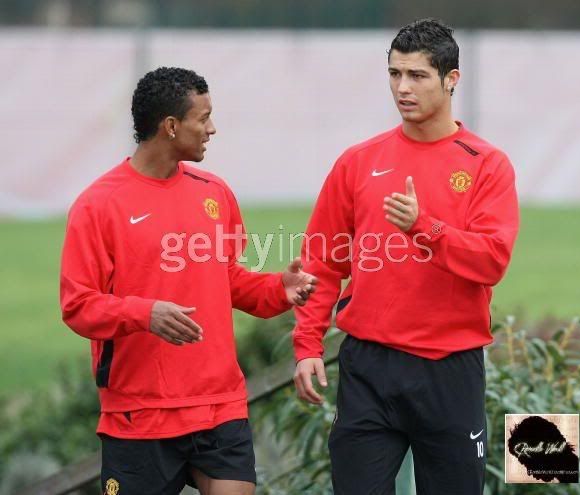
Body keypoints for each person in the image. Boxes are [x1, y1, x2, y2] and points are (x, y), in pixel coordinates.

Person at [60, 67, 317, 495]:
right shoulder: (97, 206)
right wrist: (145, 313)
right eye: (204, 117)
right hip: (139, 414)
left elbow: (227, 279)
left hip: (220, 407)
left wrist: (277, 289)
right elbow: (78, 305)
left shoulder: (215, 193)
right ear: (171, 126)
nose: (212, 128)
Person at [292, 19, 519, 494]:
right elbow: (322, 261)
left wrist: (425, 228)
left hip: (449, 369)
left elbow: (492, 260)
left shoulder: (486, 164)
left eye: (417, 75)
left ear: (451, 79)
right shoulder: (357, 162)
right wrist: (308, 343)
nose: (402, 87)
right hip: (369, 367)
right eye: (395, 74)